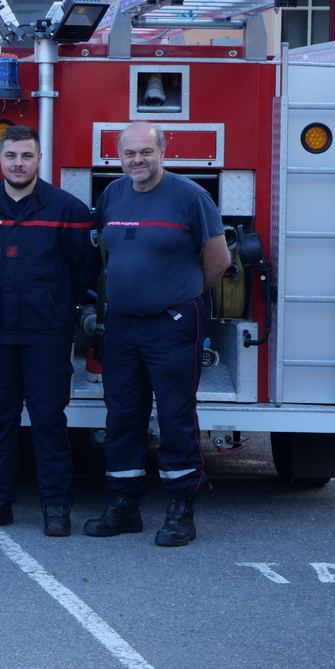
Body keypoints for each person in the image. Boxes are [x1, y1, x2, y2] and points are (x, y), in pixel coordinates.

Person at [0, 125, 100, 537]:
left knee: (50, 418)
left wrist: (53, 303)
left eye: (26, 156)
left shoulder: (67, 210)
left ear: (38, 159)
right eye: (11, 155)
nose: (18, 163)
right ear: (0, 158)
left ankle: (56, 505)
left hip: (47, 332)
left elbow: (85, 268)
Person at [86, 122, 230, 548]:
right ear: (119, 156)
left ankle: (181, 509)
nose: (137, 160)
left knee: (175, 416)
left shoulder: (191, 197)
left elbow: (218, 260)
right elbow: (106, 248)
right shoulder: (113, 195)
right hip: (122, 326)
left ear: (163, 150)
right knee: (123, 416)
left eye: (145, 152)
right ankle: (124, 505)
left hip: (172, 324)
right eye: (129, 153)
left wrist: (178, 294)